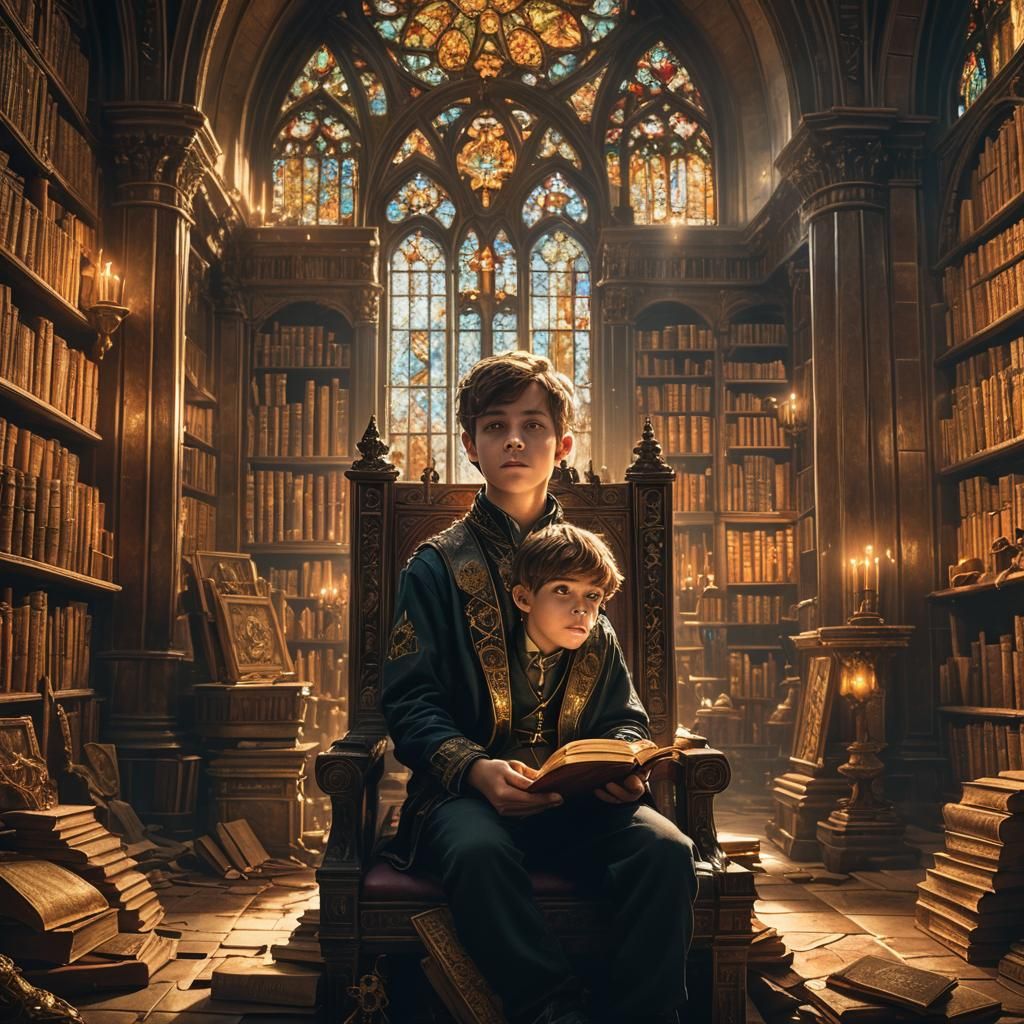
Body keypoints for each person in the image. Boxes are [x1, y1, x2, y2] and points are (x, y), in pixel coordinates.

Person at [381, 352, 697, 1024]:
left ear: (565, 443)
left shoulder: (585, 566)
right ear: (470, 445)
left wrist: (623, 766)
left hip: (582, 803)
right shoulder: (435, 568)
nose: (515, 440)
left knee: (667, 852)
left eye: (533, 425)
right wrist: (475, 769)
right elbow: (409, 702)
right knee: (477, 851)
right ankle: (553, 1011)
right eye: (495, 426)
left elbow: (624, 714)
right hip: (467, 799)